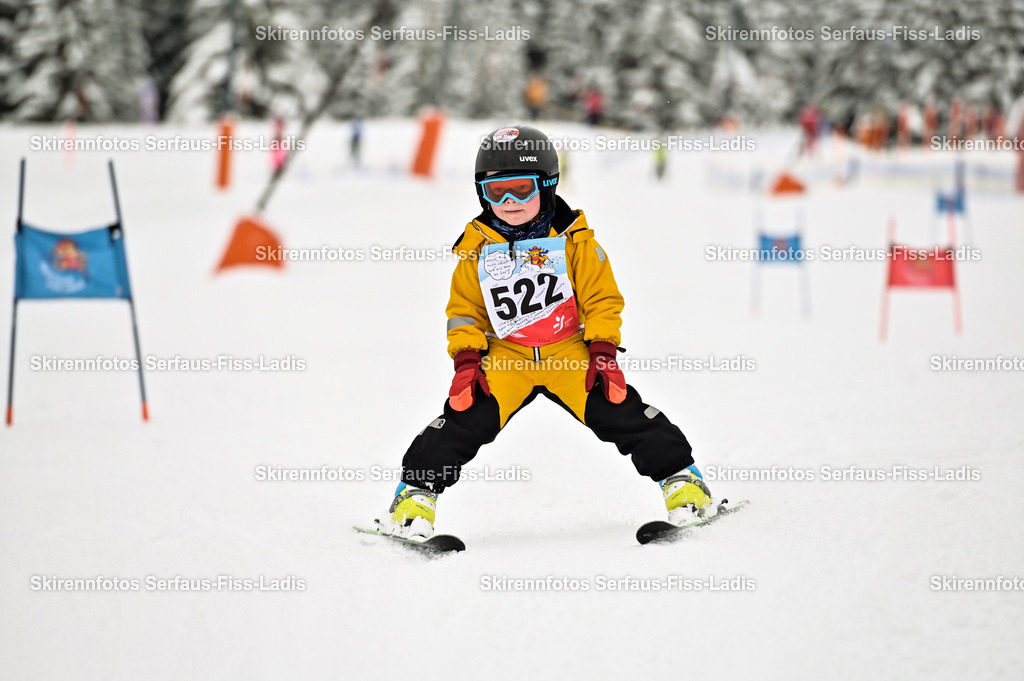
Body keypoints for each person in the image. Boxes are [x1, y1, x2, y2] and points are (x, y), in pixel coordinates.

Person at [375, 125, 712, 539]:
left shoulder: (575, 242)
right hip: (507, 357)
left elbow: (602, 299)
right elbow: (464, 311)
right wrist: (466, 361)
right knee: (463, 419)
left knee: (620, 411)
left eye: (522, 189)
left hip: (568, 352)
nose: (510, 202)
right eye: (497, 191)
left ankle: (683, 482)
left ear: (547, 185)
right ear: (482, 194)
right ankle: (414, 498)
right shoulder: (476, 250)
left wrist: (603, 351)